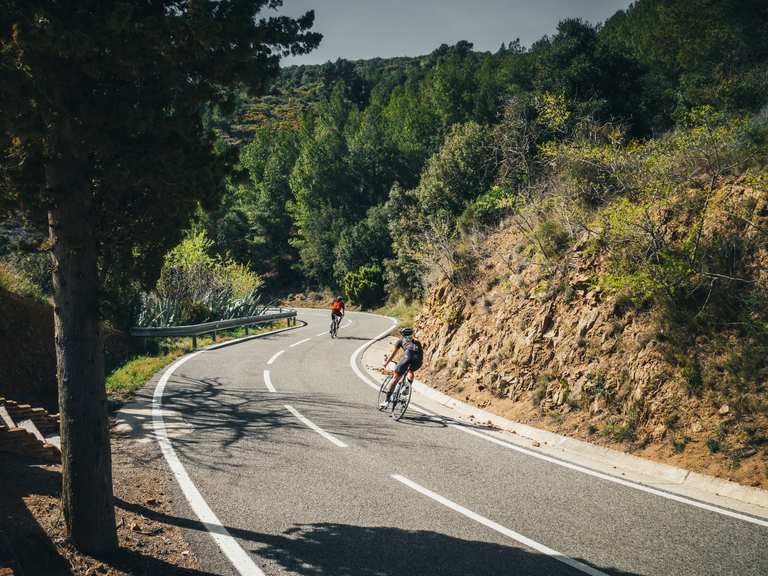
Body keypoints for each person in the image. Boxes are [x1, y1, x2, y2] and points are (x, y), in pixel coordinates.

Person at [380, 327, 423, 408]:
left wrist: (386, 363)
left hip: (407, 357)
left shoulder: (400, 341)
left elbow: (393, 354)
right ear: (412, 334)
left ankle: (386, 401)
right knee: (410, 371)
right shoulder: (417, 342)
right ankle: (407, 387)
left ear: (402, 335)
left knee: (395, 378)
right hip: (418, 361)